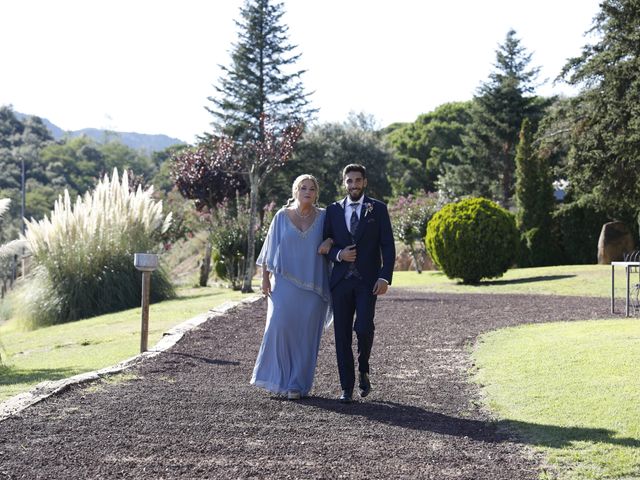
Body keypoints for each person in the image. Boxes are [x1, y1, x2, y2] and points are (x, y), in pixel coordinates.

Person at [250, 174, 333, 400]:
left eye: (312, 188)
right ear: (295, 191)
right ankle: (276, 379)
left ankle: (296, 385)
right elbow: (269, 250)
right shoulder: (281, 216)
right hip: (284, 282)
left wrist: (330, 241)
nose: (308, 191)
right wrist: (264, 278)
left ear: (316, 194)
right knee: (279, 327)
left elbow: (341, 235)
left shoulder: (326, 216)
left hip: (315, 287)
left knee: (306, 337)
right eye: (303, 187)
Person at [323, 164, 395, 403]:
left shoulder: (378, 209)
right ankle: (346, 388)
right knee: (341, 335)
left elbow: (388, 246)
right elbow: (325, 244)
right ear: (344, 183)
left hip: (367, 282)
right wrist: (338, 254)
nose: (353, 185)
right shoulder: (332, 211)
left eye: (357, 180)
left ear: (364, 182)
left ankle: (363, 368)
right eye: (349, 181)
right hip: (341, 282)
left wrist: (384, 276)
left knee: (363, 327)